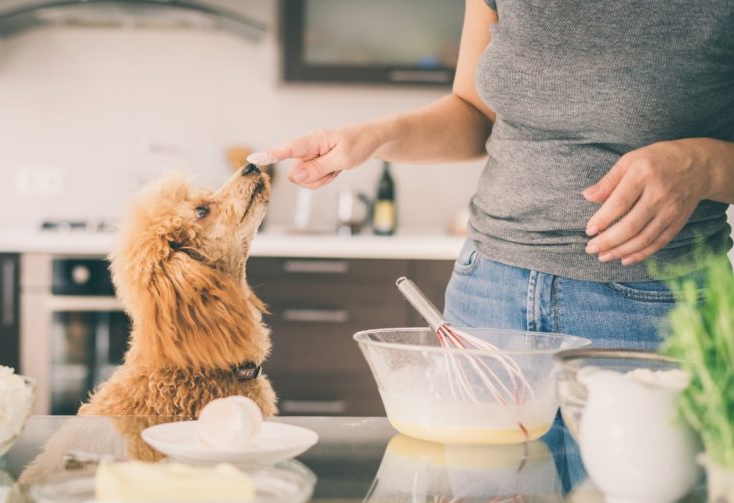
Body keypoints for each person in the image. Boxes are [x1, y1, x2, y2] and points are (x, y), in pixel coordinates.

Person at [264, 0, 734, 350]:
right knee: (486, 484)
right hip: (488, 291)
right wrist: (372, 138)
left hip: (654, 305)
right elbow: (474, 113)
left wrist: (705, 165)